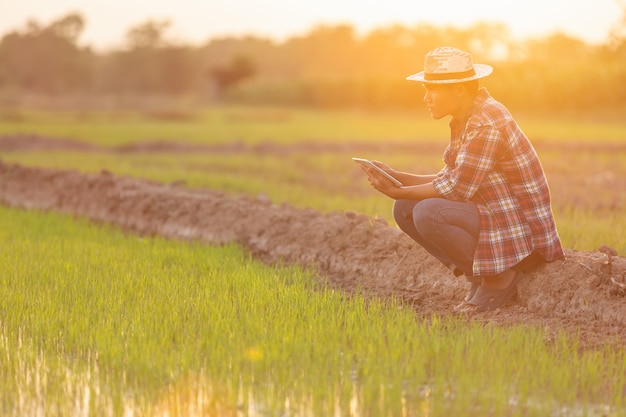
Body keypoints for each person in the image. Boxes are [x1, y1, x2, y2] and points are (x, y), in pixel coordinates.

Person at [356, 46, 564, 312]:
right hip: (495, 213)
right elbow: (453, 176)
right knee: (405, 209)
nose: (425, 98)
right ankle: (480, 276)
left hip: (522, 236)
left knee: (429, 213)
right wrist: (398, 178)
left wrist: (398, 191)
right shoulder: (467, 116)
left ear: (459, 90)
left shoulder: (486, 121)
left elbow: (457, 188)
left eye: (432, 90)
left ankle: (500, 278)